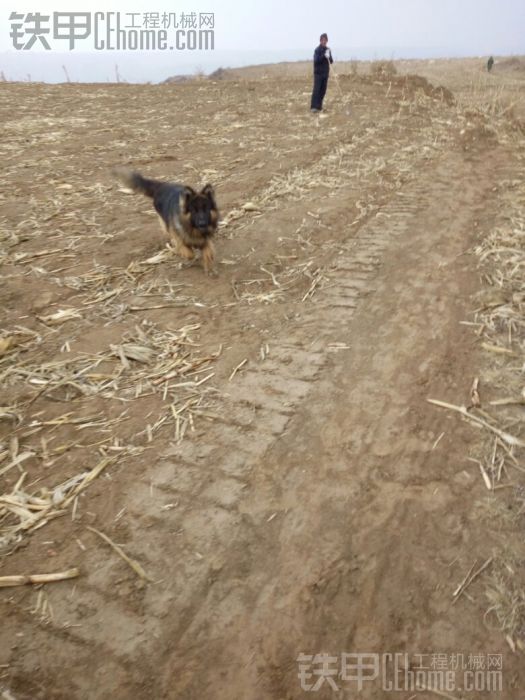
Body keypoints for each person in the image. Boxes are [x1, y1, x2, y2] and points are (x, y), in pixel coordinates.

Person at [310, 33, 333, 113]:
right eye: (322, 40)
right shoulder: (317, 50)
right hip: (318, 73)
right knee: (317, 90)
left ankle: (319, 106)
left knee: (323, 90)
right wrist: (323, 56)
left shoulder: (328, 50)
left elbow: (331, 61)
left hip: (325, 73)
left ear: (327, 41)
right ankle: (313, 107)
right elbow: (316, 61)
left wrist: (328, 56)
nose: (324, 41)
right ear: (320, 41)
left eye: (325, 40)